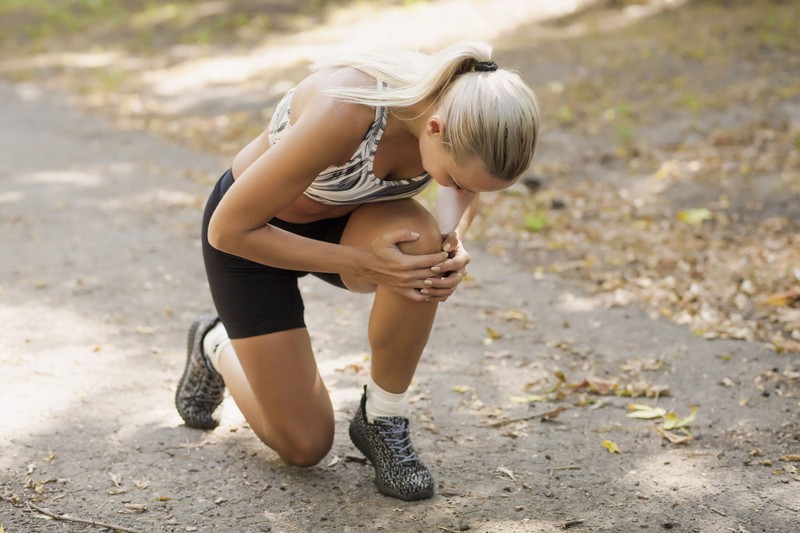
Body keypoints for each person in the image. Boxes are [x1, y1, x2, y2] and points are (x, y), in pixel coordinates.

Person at [175, 41, 539, 501]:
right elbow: (226, 230)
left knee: (423, 250)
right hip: (253, 233)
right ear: (434, 128)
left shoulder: (462, 117)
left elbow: (464, 190)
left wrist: (454, 243)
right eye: (458, 180)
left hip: (350, 223)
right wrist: (363, 262)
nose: (463, 191)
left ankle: (382, 418)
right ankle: (216, 344)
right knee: (304, 446)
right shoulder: (347, 110)